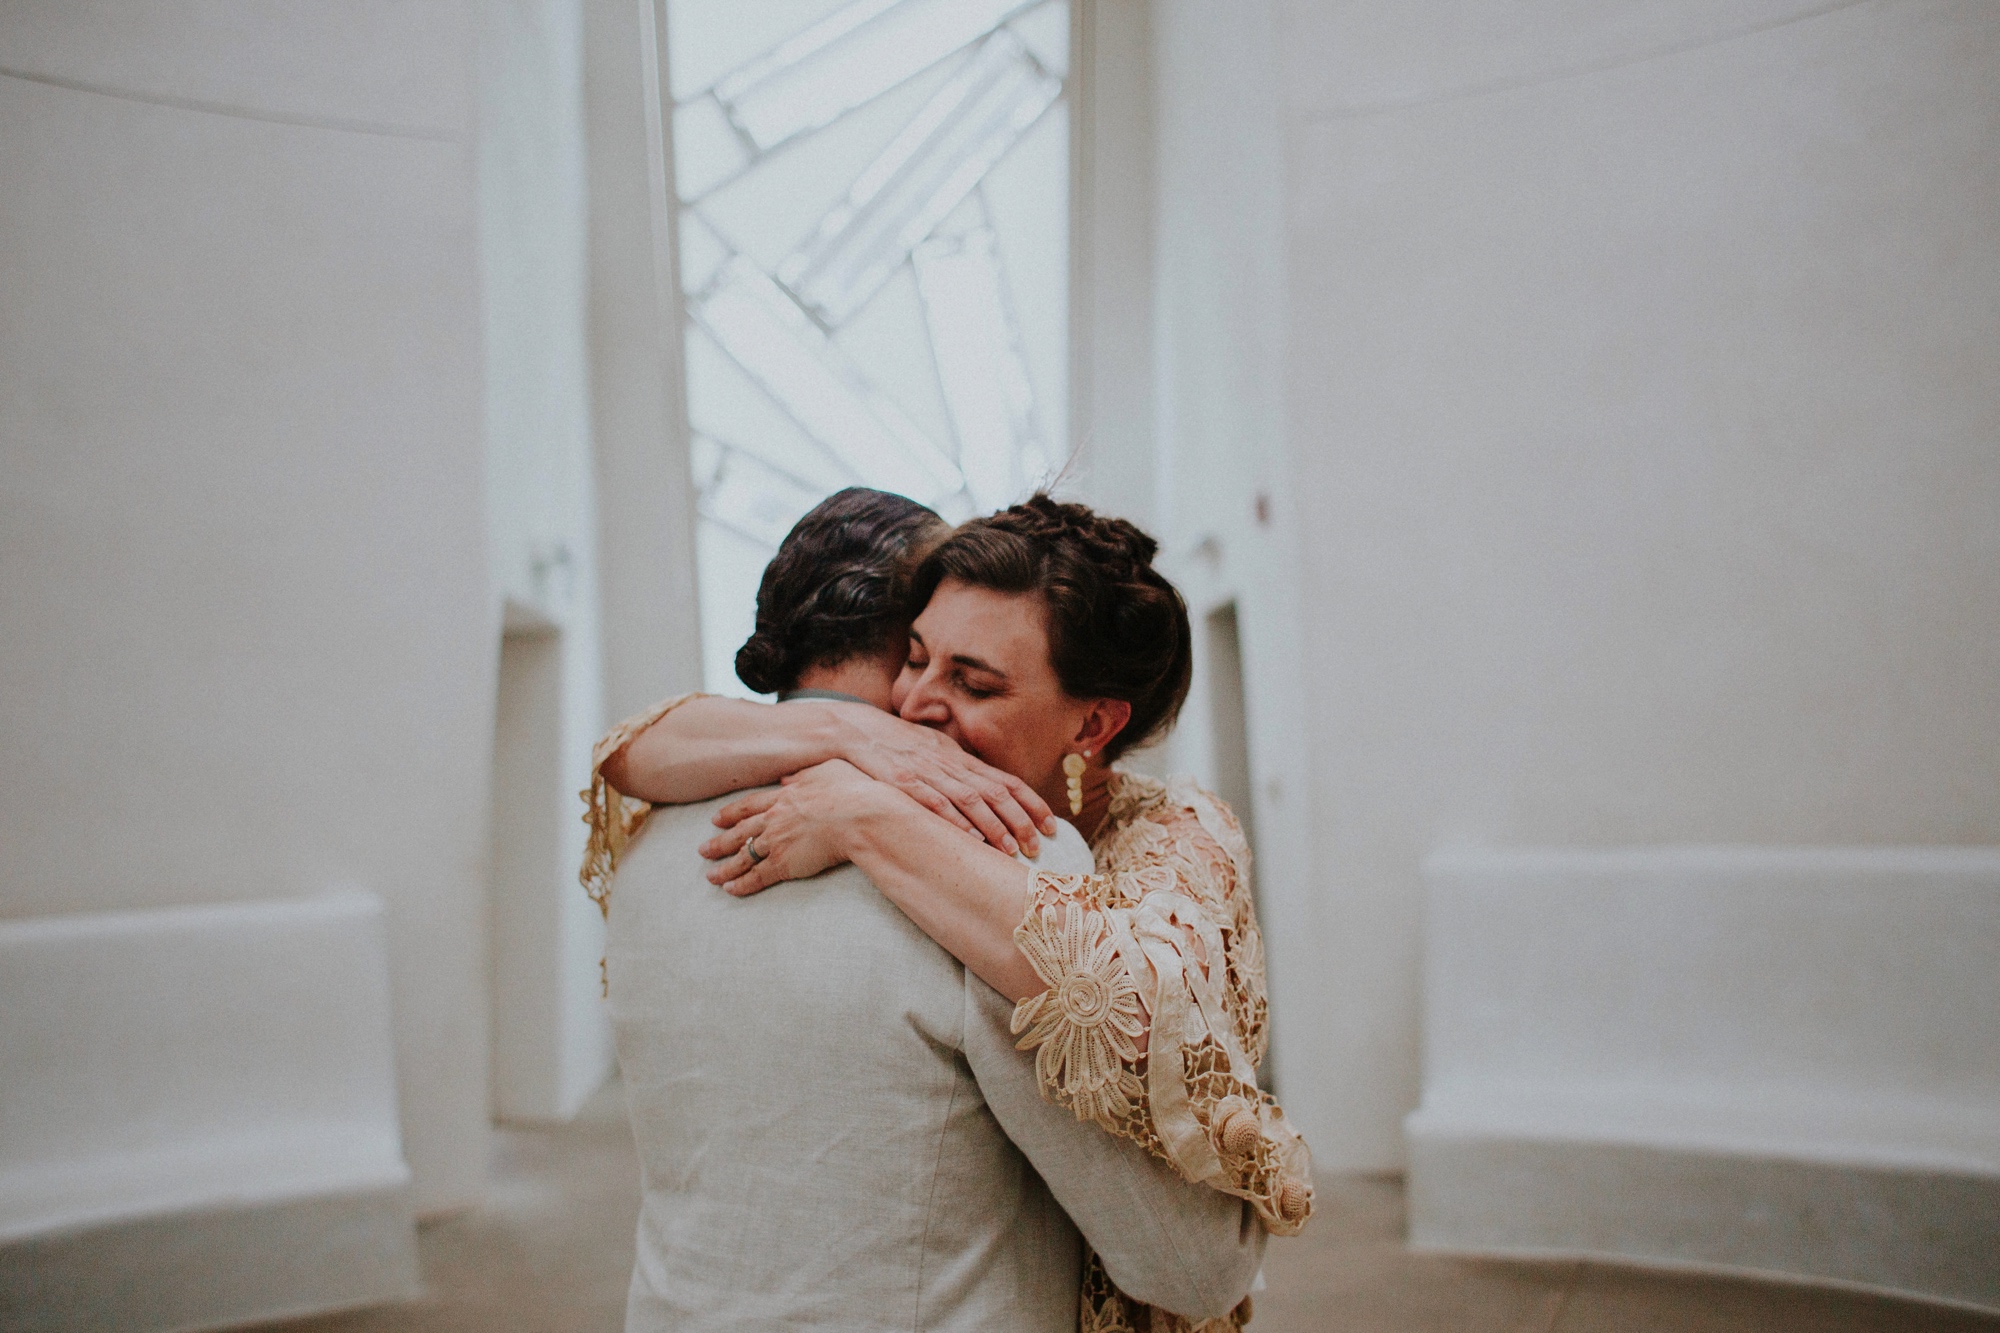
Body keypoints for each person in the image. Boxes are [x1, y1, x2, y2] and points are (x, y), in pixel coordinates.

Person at [591, 489, 1265, 1332]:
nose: (914, 710)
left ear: (1095, 721)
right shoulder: (1003, 853)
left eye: (973, 680)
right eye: (917, 657)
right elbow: (1184, 1258)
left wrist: (857, 805)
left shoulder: (652, 832)